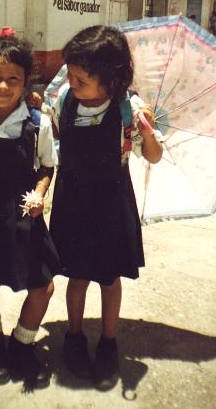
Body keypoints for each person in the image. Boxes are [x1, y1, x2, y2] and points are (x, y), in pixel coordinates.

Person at [48, 26, 163, 391]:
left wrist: (146, 133)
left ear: (111, 81)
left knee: (109, 278)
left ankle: (109, 343)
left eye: (81, 78)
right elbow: (51, 139)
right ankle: (75, 337)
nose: (72, 82)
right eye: (70, 73)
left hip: (112, 203)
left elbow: (155, 156)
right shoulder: (64, 99)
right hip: (72, 201)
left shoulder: (129, 107)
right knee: (77, 275)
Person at [0, 26, 60, 390]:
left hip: (24, 216)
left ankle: (21, 343)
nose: (3, 87)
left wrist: (40, 192)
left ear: (26, 83)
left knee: (42, 286)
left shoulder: (37, 123)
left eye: (14, 79)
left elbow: (46, 166)